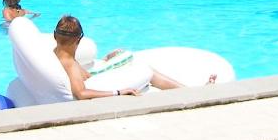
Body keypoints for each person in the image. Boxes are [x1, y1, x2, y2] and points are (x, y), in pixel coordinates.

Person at [52, 15, 188, 100]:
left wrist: (105, 61)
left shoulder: (57, 53)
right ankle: (191, 93)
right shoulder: (68, 62)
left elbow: (81, 76)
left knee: (122, 56)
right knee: (147, 71)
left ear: (54, 35)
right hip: (100, 86)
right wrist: (118, 92)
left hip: (96, 79)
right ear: (78, 40)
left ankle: (188, 90)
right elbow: (81, 93)